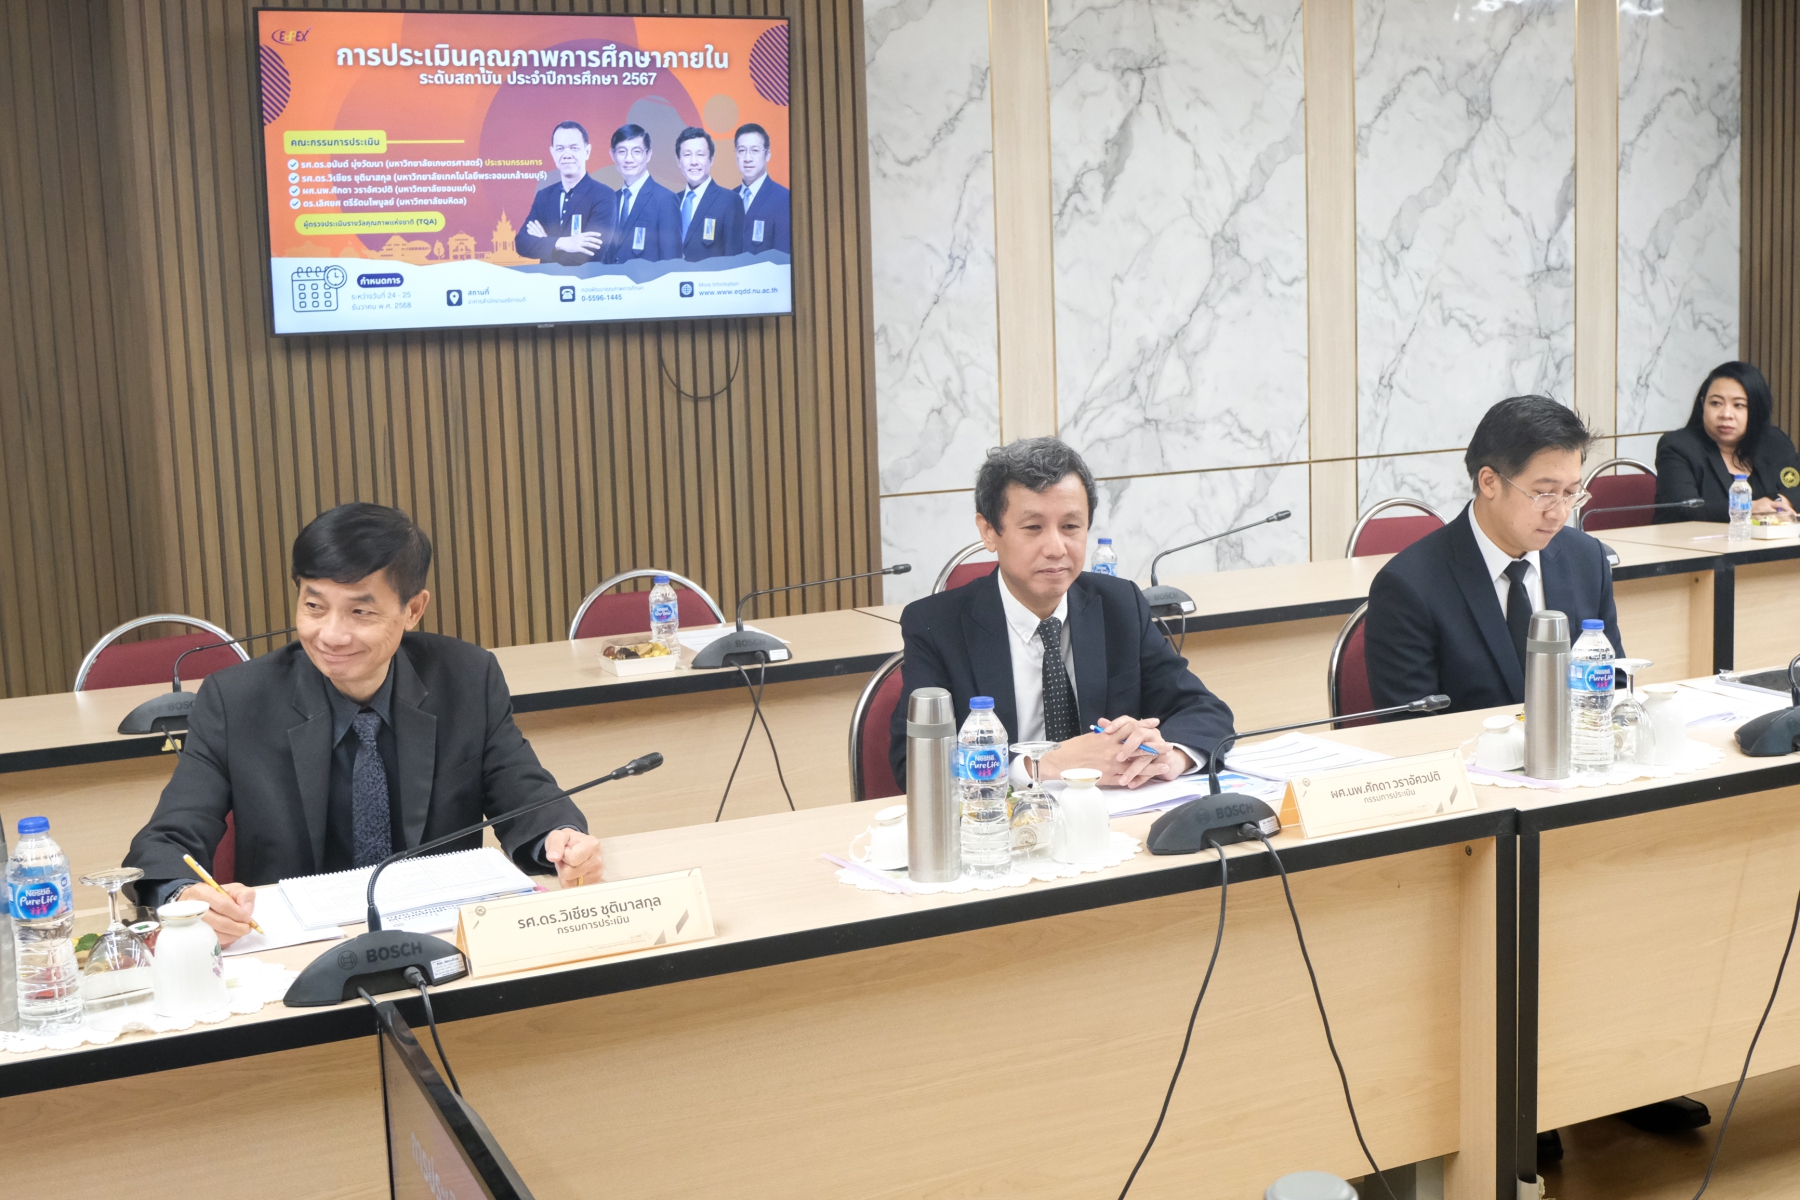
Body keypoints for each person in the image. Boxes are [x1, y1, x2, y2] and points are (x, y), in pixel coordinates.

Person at [124, 504, 602, 947]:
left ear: (413, 610)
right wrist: (183, 895)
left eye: (360, 611)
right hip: (297, 947)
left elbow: (526, 794)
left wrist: (559, 839)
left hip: (438, 939)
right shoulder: (237, 700)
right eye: (314, 607)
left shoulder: (466, 678)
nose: (331, 635)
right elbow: (164, 841)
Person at [887, 438, 1234, 791]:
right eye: (1033, 528)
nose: (1056, 548)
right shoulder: (935, 625)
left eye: (1070, 527)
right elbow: (915, 763)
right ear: (989, 531)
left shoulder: (1120, 605)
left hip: (1113, 812)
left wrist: (1168, 757)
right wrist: (1047, 763)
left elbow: (1205, 711)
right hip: (1000, 816)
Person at [1365, 396, 1622, 716]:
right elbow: (1411, 727)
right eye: (1544, 493)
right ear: (1489, 482)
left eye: (1570, 494)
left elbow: (1613, 683)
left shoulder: (1587, 559)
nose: (1559, 513)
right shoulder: (1409, 587)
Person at [1653, 361, 1800, 522]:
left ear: (1756, 410)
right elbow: (1683, 508)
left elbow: (1796, 489)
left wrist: (1779, 502)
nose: (1726, 414)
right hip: (1696, 538)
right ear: (1703, 404)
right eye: (1716, 403)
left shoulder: (1774, 441)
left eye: (1738, 405)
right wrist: (1749, 508)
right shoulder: (1678, 446)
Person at [515, 120, 611, 266]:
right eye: (560, 149)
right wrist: (562, 243)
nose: (567, 155)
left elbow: (589, 255)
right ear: (553, 153)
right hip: (546, 280)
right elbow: (522, 243)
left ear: (587, 152)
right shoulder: (544, 196)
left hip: (584, 280)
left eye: (574, 148)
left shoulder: (604, 195)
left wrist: (545, 242)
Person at [604, 124, 680, 264]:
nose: (629, 159)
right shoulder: (610, 201)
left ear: (648, 155)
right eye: (622, 151)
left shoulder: (665, 200)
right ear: (612, 155)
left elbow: (671, 263)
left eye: (636, 151)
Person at [672, 126, 744, 261]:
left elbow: (734, 260)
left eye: (700, 154)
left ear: (711, 159)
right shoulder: (672, 201)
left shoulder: (730, 201)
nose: (694, 162)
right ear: (679, 161)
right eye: (687, 155)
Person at [734, 123, 791, 254]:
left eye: (755, 150)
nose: (747, 158)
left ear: (767, 155)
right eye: (742, 150)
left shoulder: (784, 199)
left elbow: (782, 258)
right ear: (736, 155)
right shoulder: (728, 199)